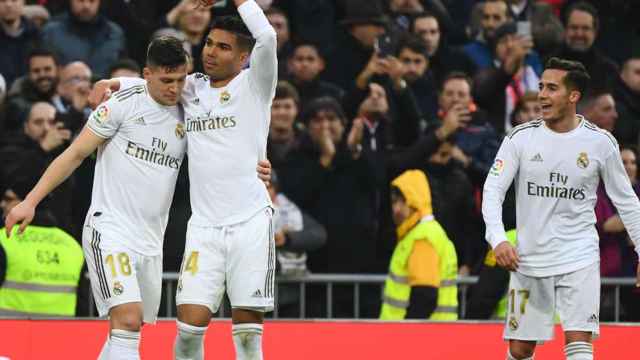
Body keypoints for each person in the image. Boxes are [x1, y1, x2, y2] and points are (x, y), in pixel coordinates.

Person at [92, 1, 278, 358]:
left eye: (223, 47)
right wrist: (114, 81)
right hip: (204, 228)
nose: (210, 51)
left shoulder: (256, 85)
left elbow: (267, 34)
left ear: (243, 58)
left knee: (247, 334)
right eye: (209, 42)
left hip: (250, 222)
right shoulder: (191, 89)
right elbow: (156, 81)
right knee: (190, 329)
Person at [5, 36, 190, 360]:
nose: (174, 88)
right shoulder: (120, 104)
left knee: (127, 330)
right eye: (166, 81)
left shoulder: (189, 103)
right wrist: (30, 201)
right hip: (110, 229)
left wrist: (113, 79)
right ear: (147, 74)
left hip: (150, 240)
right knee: (129, 319)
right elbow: (75, 153)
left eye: (180, 79)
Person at [482, 57, 640, 360]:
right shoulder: (520, 138)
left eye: (552, 88)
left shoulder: (600, 143)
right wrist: (499, 239)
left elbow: (627, 201)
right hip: (529, 258)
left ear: (573, 96)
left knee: (579, 341)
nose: (542, 94)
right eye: (541, 87)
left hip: (579, 256)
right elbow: (492, 190)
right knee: (520, 348)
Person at [0, 168, 84, 317]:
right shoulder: (72, 245)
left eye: (9, 199)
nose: (2, 204)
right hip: (60, 335)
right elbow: (84, 305)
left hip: (8, 333)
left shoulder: (4, 238)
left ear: (27, 202)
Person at [379, 169, 458, 320]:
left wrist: (407, 333)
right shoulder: (422, 233)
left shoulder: (422, 237)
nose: (395, 209)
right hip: (430, 335)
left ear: (413, 201)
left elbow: (425, 295)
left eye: (399, 202)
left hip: (417, 338)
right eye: (393, 202)